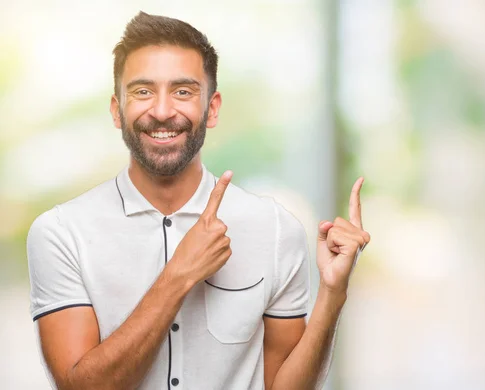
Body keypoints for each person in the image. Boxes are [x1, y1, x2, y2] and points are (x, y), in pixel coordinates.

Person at [27, 11, 370, 390]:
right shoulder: (60, 233)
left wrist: (333, 295)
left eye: (183, 91)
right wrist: (180, 274)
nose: (161, 111)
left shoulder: (274, 229)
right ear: (116, 110)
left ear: (213, 108)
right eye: (142, 91)